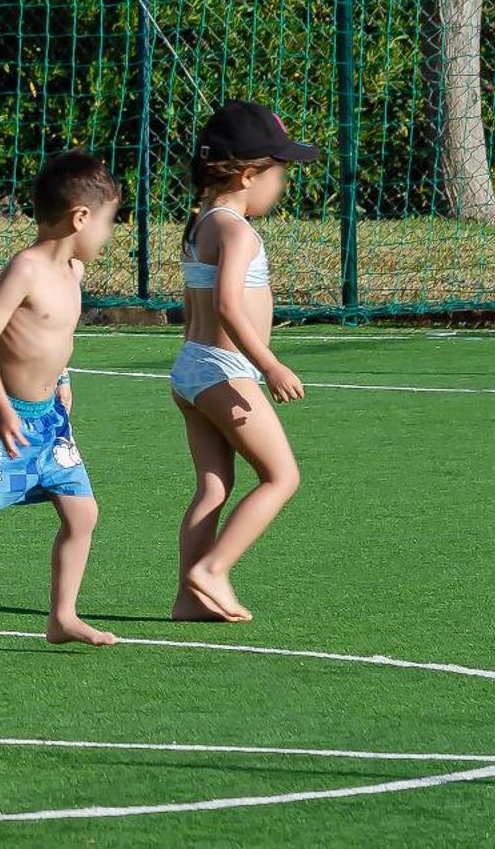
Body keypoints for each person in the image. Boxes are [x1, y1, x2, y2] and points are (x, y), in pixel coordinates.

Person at [0, 152, 121, 660]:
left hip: (49, 419)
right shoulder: (26, 269)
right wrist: (2, 408)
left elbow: (59, 337)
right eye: (108, 222)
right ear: (80, 218)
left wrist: (63, 377)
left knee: (82, 515)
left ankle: (63, 615)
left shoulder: (74, 270)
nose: (109, 235)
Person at [171, 100, 317, 623]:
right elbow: (230, 305)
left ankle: (189, 599)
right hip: (223, 371)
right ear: (250, 174)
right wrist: (271, 365)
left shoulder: (201, 225)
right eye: (279, 174)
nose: (282, 186)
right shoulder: (236, 231)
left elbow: (194, 303)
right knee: (281, 476)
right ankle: (212, 572)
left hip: (191, 368)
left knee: (214, 484)